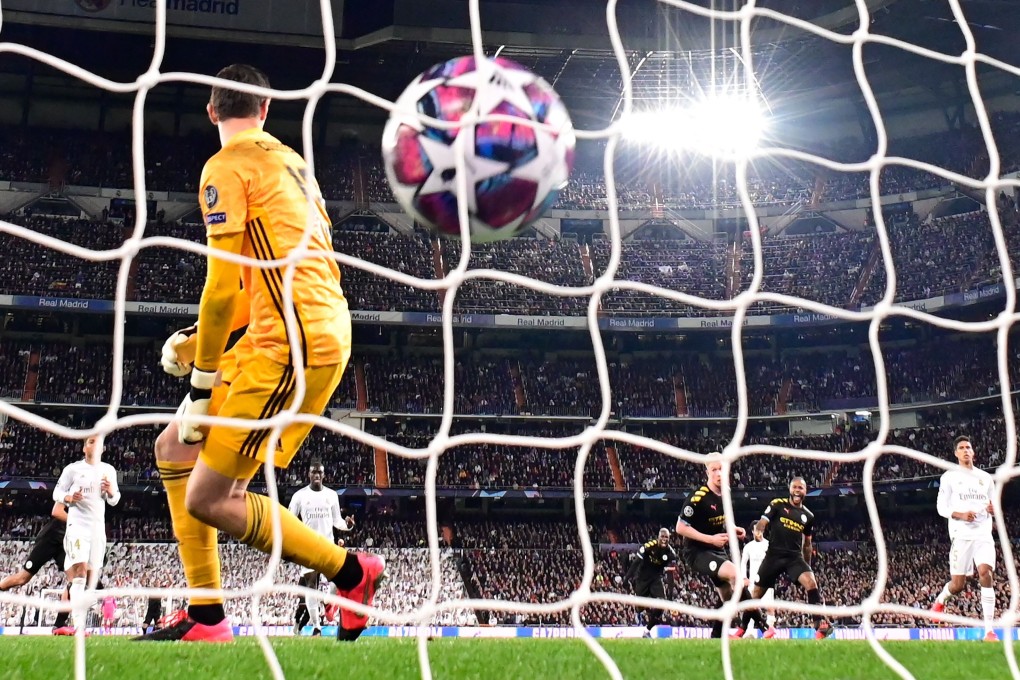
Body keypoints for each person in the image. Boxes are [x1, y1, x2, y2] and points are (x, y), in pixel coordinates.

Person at [137, 63, 384, 642]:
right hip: (300, 327)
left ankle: (352, 572)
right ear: (267, 109)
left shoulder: (224, 168)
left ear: (211, 111)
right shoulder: (292, 164)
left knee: (211, 499)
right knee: (172, 446)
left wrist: (201, 382)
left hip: (293, 346)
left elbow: (223, 286)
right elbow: (259, 284)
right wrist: (200, 342)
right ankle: (205, 616)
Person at [675, 452, 761, 638]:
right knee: (735, 575)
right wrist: (710, 539)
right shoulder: (697, 498)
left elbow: (723, 520)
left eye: (721, 468)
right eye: (714, 469)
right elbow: (680, 528)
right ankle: (762, 625)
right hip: (697, 551)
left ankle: (716, 635)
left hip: (716, 550)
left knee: (727, 595)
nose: (718, 473)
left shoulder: (726, 492)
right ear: (707, 472)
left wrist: (733, 529)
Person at [930, 435, 998, 641]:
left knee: (985, 573)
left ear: (973, 452)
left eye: (969, 447)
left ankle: (989, 631)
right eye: (962, 447)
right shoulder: (949, 477)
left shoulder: (985, 478)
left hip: (983, 534)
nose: (966, 450)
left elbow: (993, 505)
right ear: (956, 453)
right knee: (958, 584)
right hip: (961, 535)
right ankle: (941, 599)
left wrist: (993, 509)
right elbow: (941, 507)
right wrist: (960, 514)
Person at [53, 435, 120, 635]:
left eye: (98, 442)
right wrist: (68, 497)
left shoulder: (108, 470)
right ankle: (79, 626)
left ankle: (82, 615)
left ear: (103, 448)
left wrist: (110, 492)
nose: (94, 444)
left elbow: (115, 500)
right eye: (90, 441)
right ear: (84, 448)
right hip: (77, 527)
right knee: (80, 571)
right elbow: (56, 492)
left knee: (92, 579)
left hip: (97, 529)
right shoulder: (72, 469)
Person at [751, 477, 833, 640]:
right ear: (790, 489)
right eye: (794, 487)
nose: (797, 490)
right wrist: (759, 531)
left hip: (794, 557)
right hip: (774, 555)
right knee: (755, 596)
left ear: (805, 491)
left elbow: (807, 543)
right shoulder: (777, 504)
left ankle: (819, 626)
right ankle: (747, 628)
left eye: (800, 488)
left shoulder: (808, 516)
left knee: (811, 582)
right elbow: (762, 521)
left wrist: (807, 566)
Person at [288, 460, 352, 637]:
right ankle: (317, 627)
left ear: (324, 475)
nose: (316, 475)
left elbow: (337, 521)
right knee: (310, 585)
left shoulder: (331, 495)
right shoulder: (299, 496)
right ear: (309, 474)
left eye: (320, 472)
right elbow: (290, 519)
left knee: (337, 580)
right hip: (308, 546)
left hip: (327, 545)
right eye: (313, 472)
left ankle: (327, 602)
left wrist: (348, 525)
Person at [0, 501, 72, 632]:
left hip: (66, 539)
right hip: (51, 537)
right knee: (22, 578)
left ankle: (59, 624)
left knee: (75, 580)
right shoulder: (72, 486)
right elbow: (56, 511)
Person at [625, 527, 677, 637]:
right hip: (642, 578)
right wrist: (626, 578)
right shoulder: (649, 546)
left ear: (669, 539)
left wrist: (671, 594)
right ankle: (646, 609)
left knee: (662, 605)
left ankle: (647, 630)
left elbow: (670, 574)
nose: (664, 539)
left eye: (666, 537)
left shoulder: (671, 553)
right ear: (658, 537)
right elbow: (636, 562)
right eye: (662, 537)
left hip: (656, 579)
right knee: (639, 608)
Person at [740, 526, 777, 638]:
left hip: (766, 580)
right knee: (750, 607)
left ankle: (770, 631)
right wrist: (744, 577)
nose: (758, 532)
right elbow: (743, 563)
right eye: (756, 530)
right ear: (752, 531)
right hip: (752, 582)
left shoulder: (768, 545)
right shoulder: (748, 547)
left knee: (770, 607)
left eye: (760, 530)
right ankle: (749, 632)